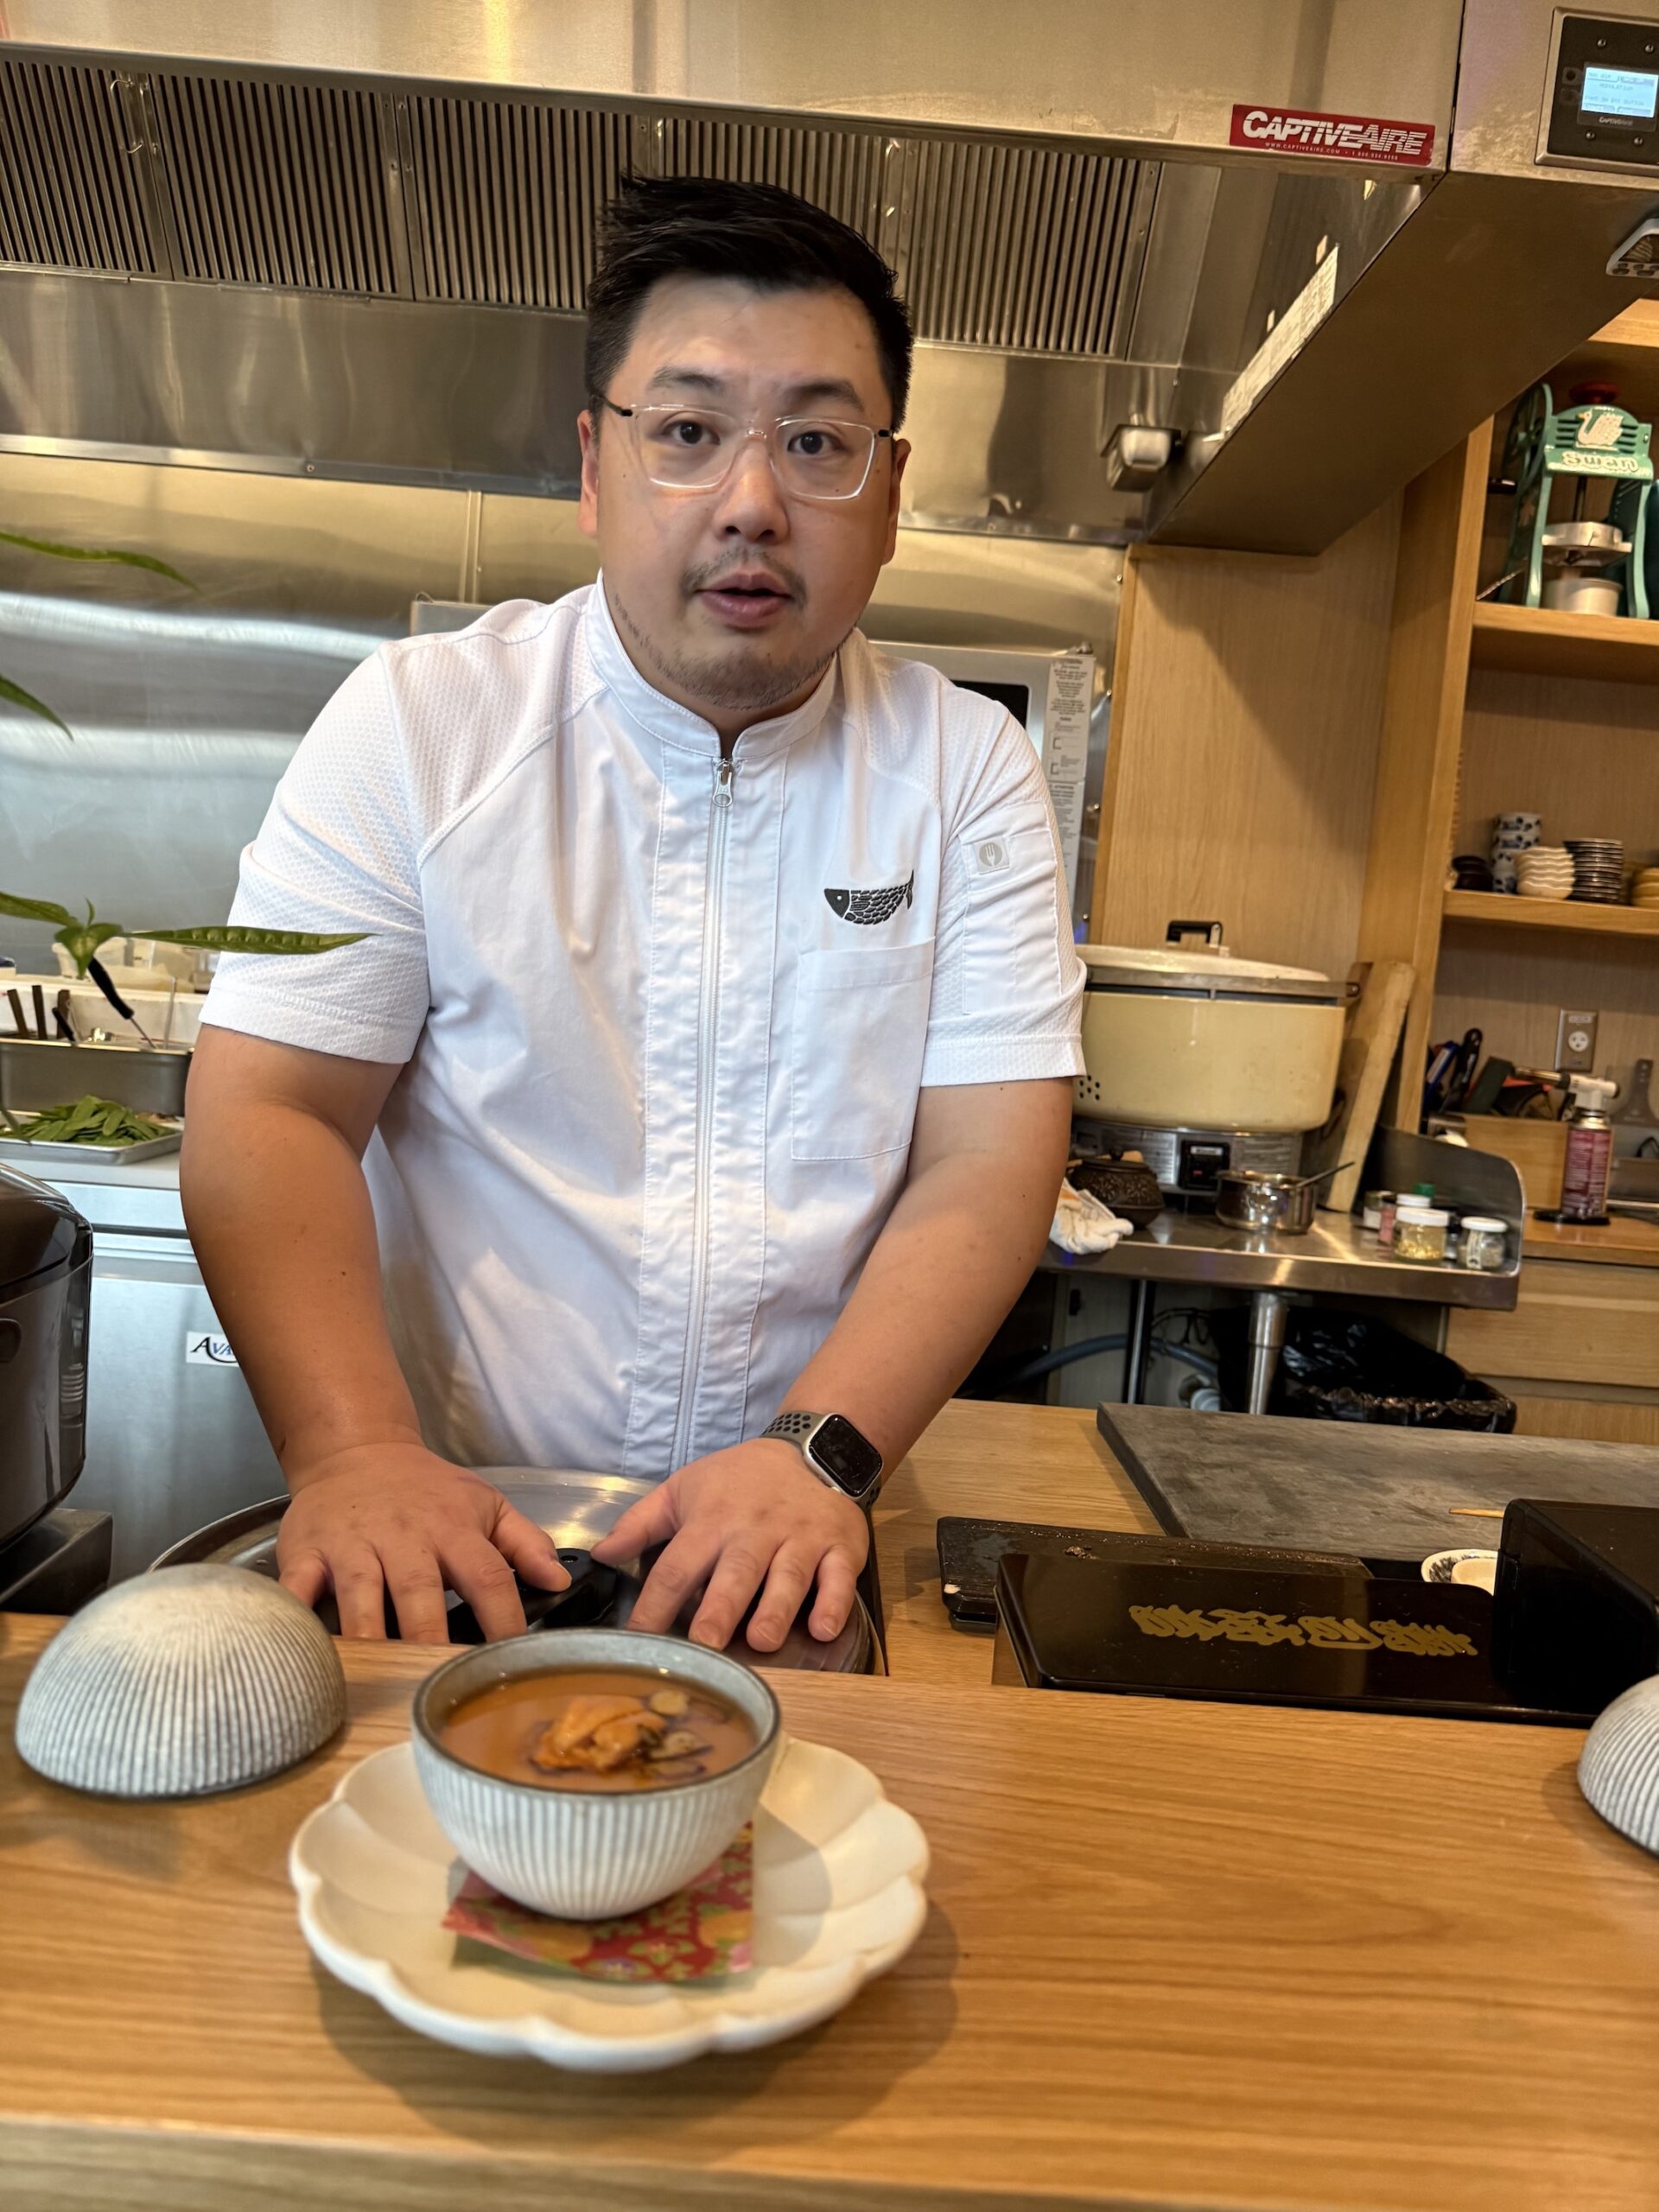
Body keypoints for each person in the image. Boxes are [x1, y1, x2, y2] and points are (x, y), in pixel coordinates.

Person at [181, 176, 1084, 1652]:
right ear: (596, 468)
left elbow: (987, 1160)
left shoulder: (965, 767)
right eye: (688, 431)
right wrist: (353, 1450)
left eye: (817, 442)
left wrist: (821, 1455)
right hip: (455, 1532)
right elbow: (271, 1107)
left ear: (890, 491)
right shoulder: (422, 726)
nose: (752, 501)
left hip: (794, 1538)